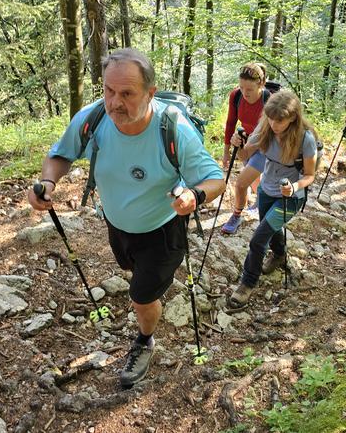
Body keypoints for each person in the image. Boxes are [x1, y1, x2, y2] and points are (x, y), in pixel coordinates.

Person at [27, 48, 225, 389]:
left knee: (141, 297)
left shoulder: (173, 128)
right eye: (108, 91)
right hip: (117, 225)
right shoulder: (94, 119)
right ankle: (148, 287)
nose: (115, 102)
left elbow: (215, 178)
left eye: (127, 94)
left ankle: (144, 340)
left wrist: (195, 195)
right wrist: (48, 181)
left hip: (163, 230)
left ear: (150, 93)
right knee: (133, 275)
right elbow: (60, 155)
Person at [228, 90, 317, 306]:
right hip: (266, 190)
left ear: (293, 117)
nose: (274, 123)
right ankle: (279, 255)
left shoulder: (305, 139)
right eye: (271, 118)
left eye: (280, 120)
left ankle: (247, 284)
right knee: (270, 227)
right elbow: (245, 157)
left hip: (290, 197)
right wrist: (237, 144)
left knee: (258, 239)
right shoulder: (265, 128)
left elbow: (310, 175)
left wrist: (295, 186)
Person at [221, 63, 272, 234]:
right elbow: (230, 123)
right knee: (254, 176)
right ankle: (258, 200)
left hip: (265, 145)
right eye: (242, 87)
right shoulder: (236, 96)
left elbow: (273, 129)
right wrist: (226, 151)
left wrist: (250, 144)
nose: (245, 92)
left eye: (249, 89)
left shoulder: (269, 100)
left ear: (261, 84)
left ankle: (237, 215)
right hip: (244, 142)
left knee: (241, 183)